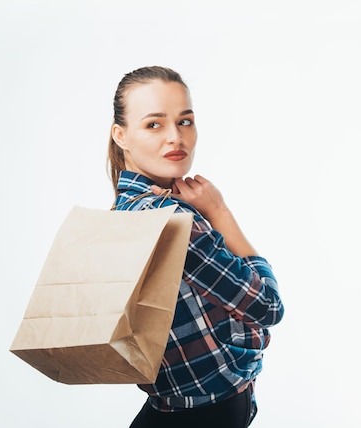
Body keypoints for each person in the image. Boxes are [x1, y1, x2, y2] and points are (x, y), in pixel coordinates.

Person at [106, 66, 284, 428]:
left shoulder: (122, 211)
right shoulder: (169, 218)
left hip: (171, 408)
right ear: (121, 135)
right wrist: (219, 211)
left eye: (185, 121)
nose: (176, 137)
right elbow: (268, 307)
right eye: (154, 124)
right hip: (207, 413)